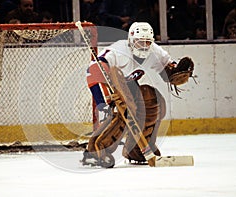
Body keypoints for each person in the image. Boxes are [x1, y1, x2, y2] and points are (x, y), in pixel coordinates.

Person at [81, 22, 192, 168]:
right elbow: (93, 71)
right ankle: (95, 152)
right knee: (125, 112)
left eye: (147, 42)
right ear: (131, 41)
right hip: (113, 86)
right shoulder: (118, 51)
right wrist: (104, 100)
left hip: (131, 85)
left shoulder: (154, 51)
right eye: (140, 42)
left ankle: (137, 150)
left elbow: (168, 68)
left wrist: (176, 71)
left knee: (152, 102)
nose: (144, 45)